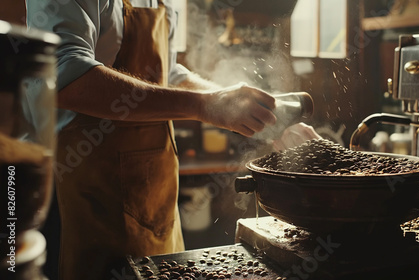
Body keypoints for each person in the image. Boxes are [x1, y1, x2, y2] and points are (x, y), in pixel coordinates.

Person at [26, 1, 320, 279]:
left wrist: (264, 118)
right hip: (83, 190)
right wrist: (203, 105)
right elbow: (63, 75)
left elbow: (168, 74)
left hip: (152, 197)